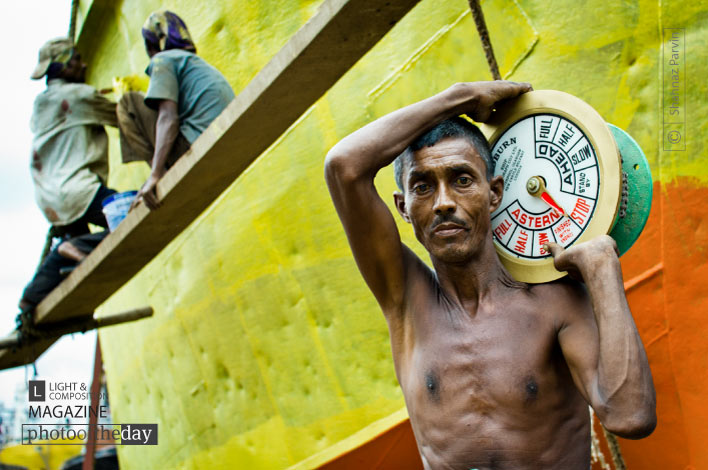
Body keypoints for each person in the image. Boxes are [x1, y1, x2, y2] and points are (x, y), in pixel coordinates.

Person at [324, 81, 656, 469]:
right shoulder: (405, 299)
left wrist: (602, 270)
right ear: (403, 206)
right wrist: (459, 97)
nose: (444, 202)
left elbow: (630, 417)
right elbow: (343, 166)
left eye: (462, 179)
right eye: (423, 186)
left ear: (494, 192)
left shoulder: (555, 302)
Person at [117, 10, 235, 210]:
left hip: (196, 142)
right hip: (226, 139)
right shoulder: (194, 64)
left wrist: (155, 174)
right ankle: (159, 170)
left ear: (153, 44)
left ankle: (158, 174)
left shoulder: (163, 60)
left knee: (127, 103)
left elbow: (168, 117)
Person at [29, 38, 117, 238]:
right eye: (77, 60)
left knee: (85, 252)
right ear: (62, 66)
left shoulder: (40, 104)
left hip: (50, 201)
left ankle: (68, 248)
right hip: (79, 192)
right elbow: (126, 116)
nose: (84, 65)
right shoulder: (79, 95)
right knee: (132, 213)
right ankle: (69, 247)